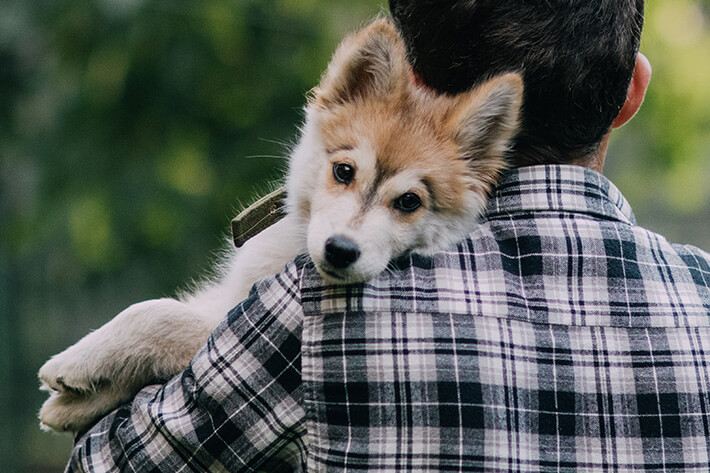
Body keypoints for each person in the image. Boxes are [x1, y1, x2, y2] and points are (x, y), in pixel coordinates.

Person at [66, 1, 710, 471]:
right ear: (632, 93)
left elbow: (103, 462)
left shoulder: (318, 308)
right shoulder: (702, 298)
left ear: (414, 84)